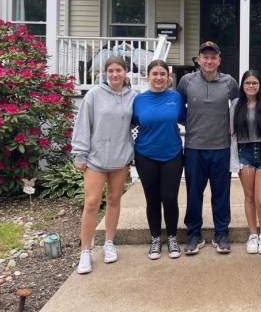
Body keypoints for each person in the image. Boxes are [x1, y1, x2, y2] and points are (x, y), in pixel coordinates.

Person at [72, 56, 136, 275]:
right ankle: (85, 251)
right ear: (106, 73)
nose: (115, 74)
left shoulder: (132, 96)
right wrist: (79, 154)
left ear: (126, 72)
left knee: (114, 200)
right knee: (91, 203)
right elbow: (83, 124)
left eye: (119, 70)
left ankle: (109, 242)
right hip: (96, 159)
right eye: (111, 70)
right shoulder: (94, 95)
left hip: (120, 158)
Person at [177, 41, 239, 255]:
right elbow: (179, 108)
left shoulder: (229, 83)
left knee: (221, 193)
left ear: (219, 60)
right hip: (194, 147)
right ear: (198, 60)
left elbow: (238, 108)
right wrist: (191, 123)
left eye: (213, 57)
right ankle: (194, 234)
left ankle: (221, 233)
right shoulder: (186, 81)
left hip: (221, 147)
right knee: (194, 193)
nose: (209, 61)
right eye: (205, 57)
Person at [132, 60, 185, 260]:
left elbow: (183, 119)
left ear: (168, 77)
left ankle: (171, 237)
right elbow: (131, 123)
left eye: (163, 74)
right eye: (155, 74)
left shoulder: (176, 98)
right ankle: (155, 238)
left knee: (170, 198)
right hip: (145, 154)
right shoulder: (139, 100)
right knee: (152, 199)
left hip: (172, 154)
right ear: (149, 76)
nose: (159, 78)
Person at [230, 70, 261, 255]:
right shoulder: (236, 104)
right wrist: (233, 157)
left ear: (259, 85)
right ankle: (253, 234)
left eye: (254, 83)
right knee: (249, 197)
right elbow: (231, 133)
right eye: (247, 83)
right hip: (245, 153)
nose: (251, 86)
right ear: (242, 86)